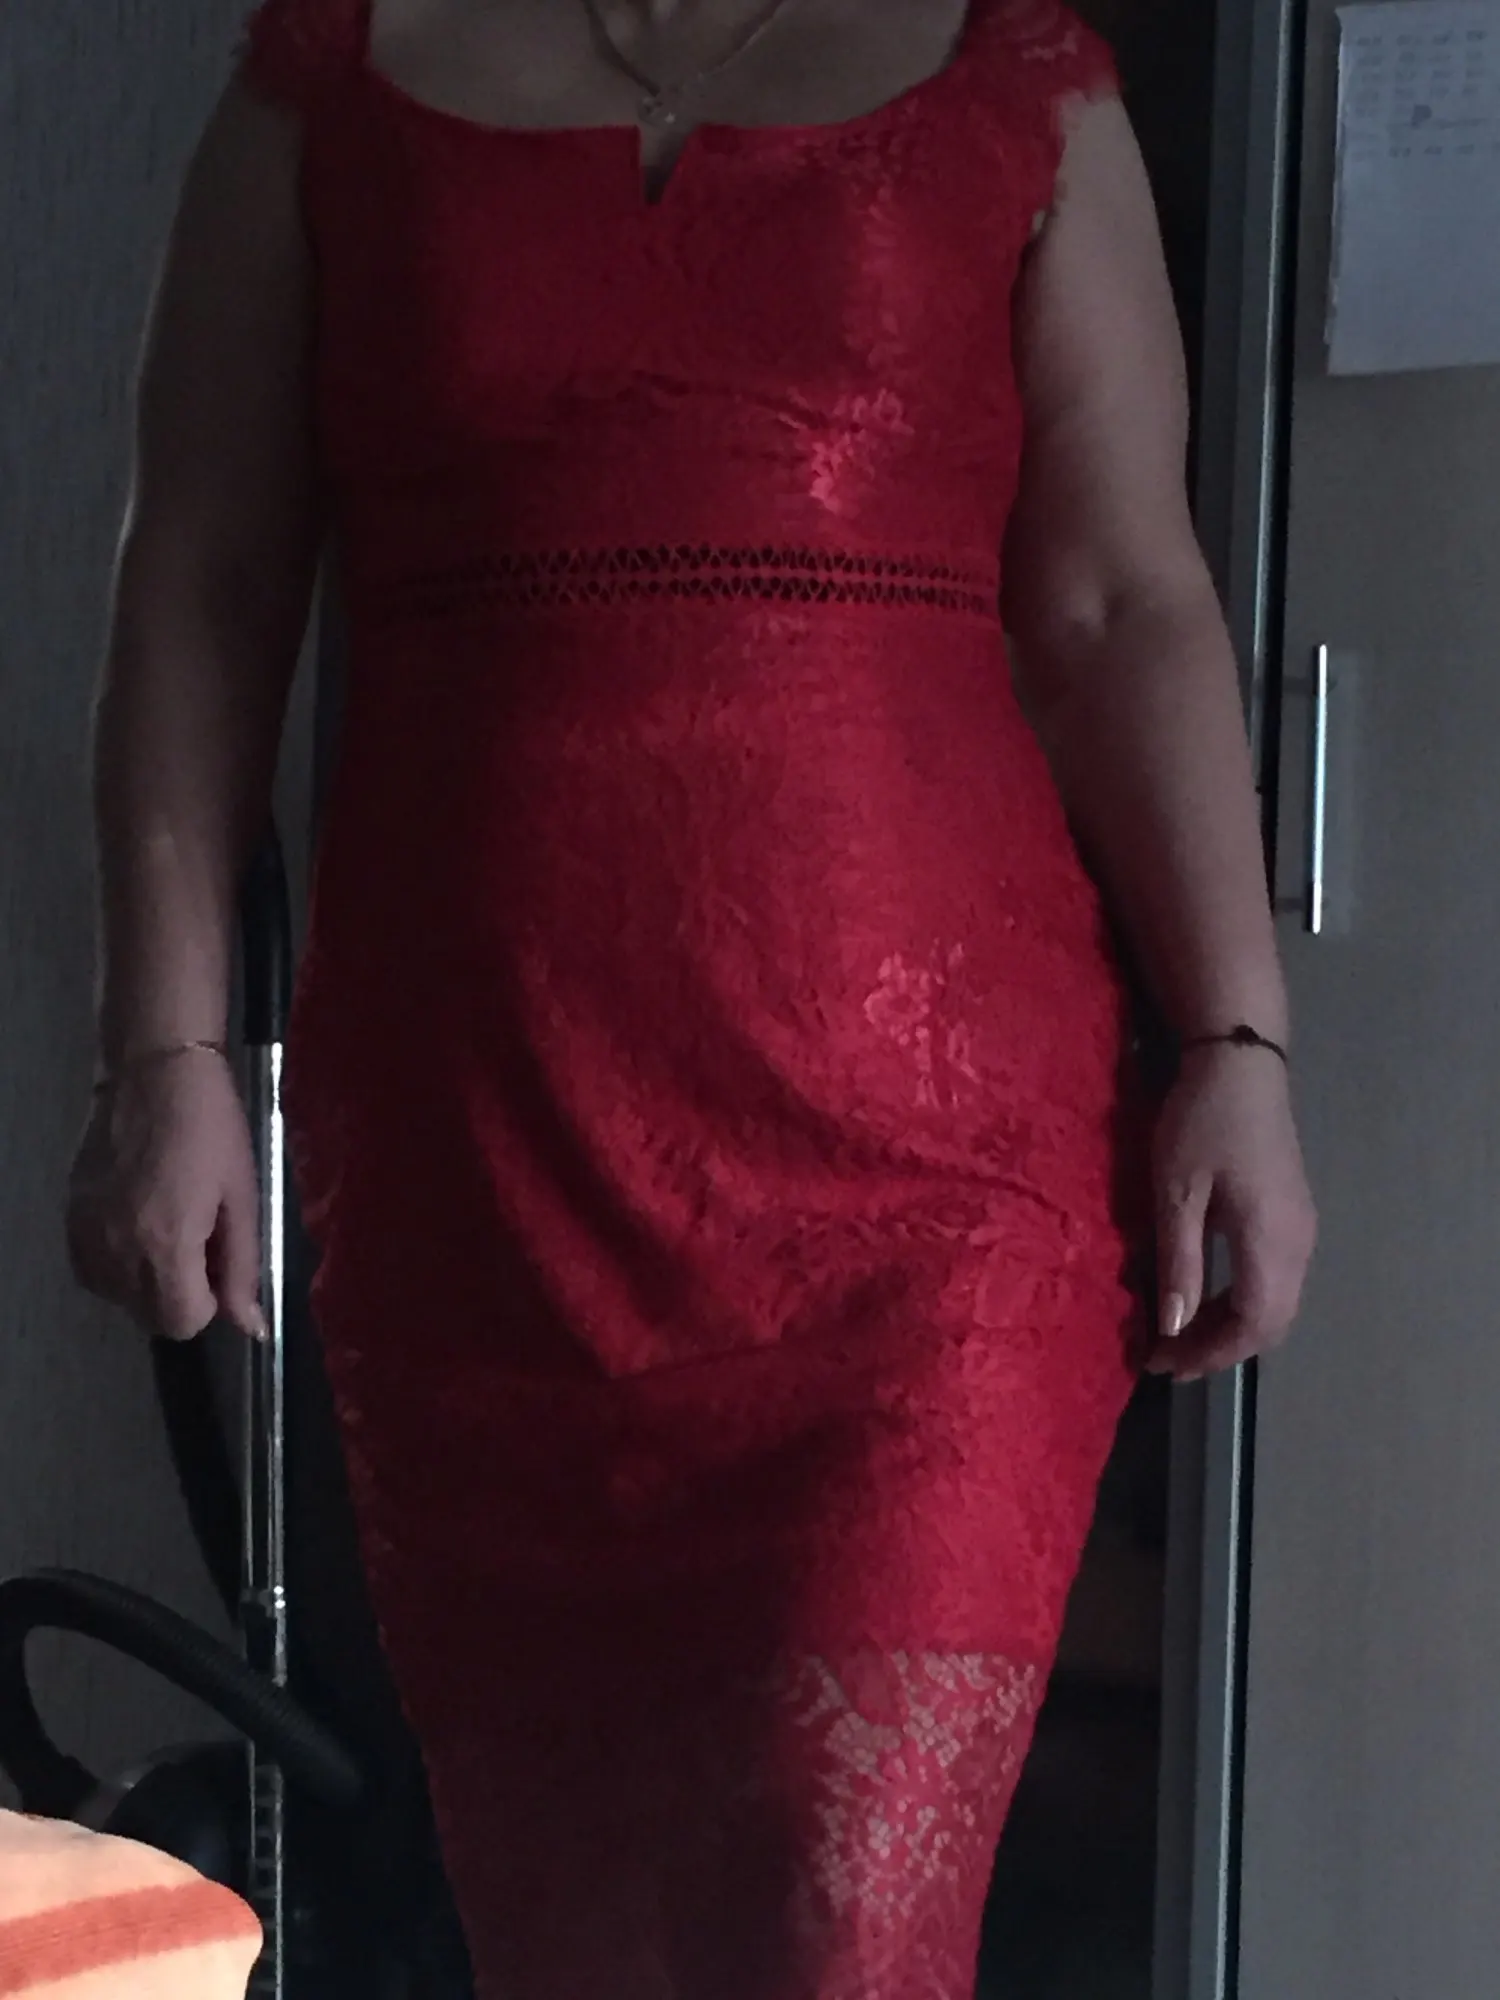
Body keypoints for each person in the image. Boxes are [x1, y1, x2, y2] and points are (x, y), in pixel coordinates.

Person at [65, 1, 1317, 1994]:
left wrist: (1239, 1042)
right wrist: (162, 1049)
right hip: (488, 1163)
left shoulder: (1018, 75)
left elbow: (1118, 604)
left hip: (937, 1181)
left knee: (844, 1915)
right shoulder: (329, 78)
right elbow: (203, 583)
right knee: (584, 1941)